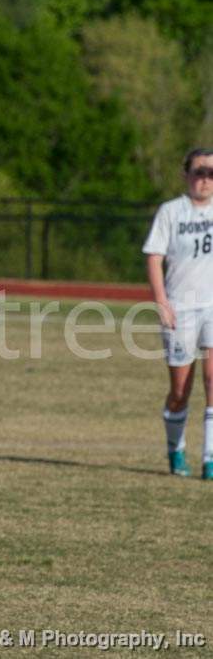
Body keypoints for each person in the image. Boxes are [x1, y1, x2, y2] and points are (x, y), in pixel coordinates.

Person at [143, 148, 213, 478]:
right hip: (181, 308)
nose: (205, 179)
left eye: (212, 173)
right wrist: (161, 300)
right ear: (186, 174)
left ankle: (210, 459)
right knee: (180, 392)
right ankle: (176, 450)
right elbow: (154, 256)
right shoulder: (171, 212)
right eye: (199, 171)